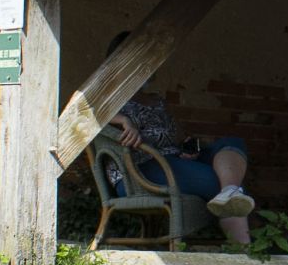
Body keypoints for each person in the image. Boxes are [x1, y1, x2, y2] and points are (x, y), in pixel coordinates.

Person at [102, 34, 256, 246]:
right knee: (217, 181)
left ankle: (230, 191)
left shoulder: (157, 101)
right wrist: (124, 120)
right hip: (140, 170)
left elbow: (177, 136)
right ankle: (243, 248)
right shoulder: (109, 98)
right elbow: (87, 114)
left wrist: (187, 147)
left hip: (172, 161)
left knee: (232, 144)